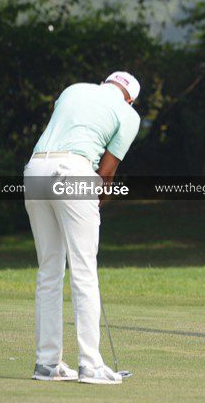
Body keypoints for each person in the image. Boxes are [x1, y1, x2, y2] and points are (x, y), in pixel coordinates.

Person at [24, 71, 141, 384]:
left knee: (49, 270)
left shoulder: (73, 88)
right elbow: (106, 170)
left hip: (35, 169)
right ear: (130, 97)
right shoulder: (128, 114)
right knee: (84, 270)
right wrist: (99, 198)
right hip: (73, 170)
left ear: (105, 83)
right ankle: (91, 365)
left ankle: (47, 364)